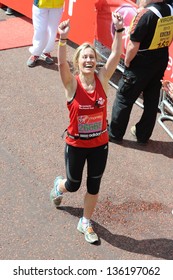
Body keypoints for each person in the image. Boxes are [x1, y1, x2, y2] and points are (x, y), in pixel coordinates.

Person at [50, 14, 124, 243]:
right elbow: (61, 64)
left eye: (92, 56)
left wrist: (119, 31)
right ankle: (59, 186)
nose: (89, 60)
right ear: (78, 62)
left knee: (94, 184)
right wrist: (62, 40)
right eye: (85, 57)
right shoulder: (71, 84)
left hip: (99, 145)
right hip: (76, 145)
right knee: (73, 185)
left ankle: (85, 222)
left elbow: (115, 55)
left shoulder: (102, 80)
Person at [108, 0, 173, 145]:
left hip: (141, 62)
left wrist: (127, 62)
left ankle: (115, 133)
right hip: (160, 59)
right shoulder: (170, 10)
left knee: (124, 96)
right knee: (151, 100)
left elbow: (133, 45)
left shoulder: (145, 15)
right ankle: (143, 135)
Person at [27, 0, 65, 67]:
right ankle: (36, 53)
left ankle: (46, 52)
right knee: (40, 30)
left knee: (52, 30)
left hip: (57, 4)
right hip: (40, 3)